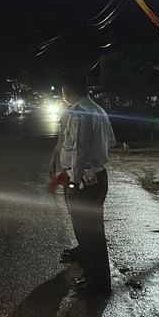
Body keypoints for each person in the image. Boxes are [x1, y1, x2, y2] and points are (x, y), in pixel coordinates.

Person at [50, 76, 115, 294]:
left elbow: (80, 150)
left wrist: (74, 181)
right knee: (93, 232)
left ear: (67, 91)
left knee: (87, 234)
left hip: (85, 181)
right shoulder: (98, 109)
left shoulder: (80, 112)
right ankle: (96, 278)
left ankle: (97, 283)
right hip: (98, 176)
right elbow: (111, 142)